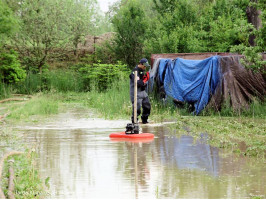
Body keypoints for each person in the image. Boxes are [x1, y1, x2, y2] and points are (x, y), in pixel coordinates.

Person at [129, 58, 151, 124]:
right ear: (140, 64)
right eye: (144, 66)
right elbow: (138, 82)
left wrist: (146, 80)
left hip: (143, 92)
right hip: (135, 92)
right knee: (137, 108)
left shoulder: (142, 71)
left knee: (147, 106)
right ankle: (134, 122)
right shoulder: (134, 72)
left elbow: (142, 83)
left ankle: (145, 120)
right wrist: (144, 81)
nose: (145, 67)